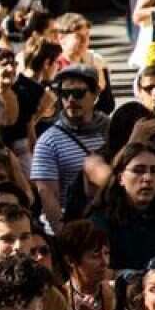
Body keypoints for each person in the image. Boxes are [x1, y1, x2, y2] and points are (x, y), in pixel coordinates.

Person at [89, 142, 155, 272]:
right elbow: (98, 271)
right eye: (138, 170)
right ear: (120, 177)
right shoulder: (100, 221)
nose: (148, 178)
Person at [31, 65, 108, 232]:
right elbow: (48, 195)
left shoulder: (111, 130)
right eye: (65, 94)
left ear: (95, 94)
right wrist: (64, 235)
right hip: (73, 228)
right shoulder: (48, 141)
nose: (71, 99)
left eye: (79, 93)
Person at [57, 220, 117, 310]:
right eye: (95, 256)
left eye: (106, 253)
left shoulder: (117, 293)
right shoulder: (58, 300)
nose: (105, 262)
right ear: (70, 260)